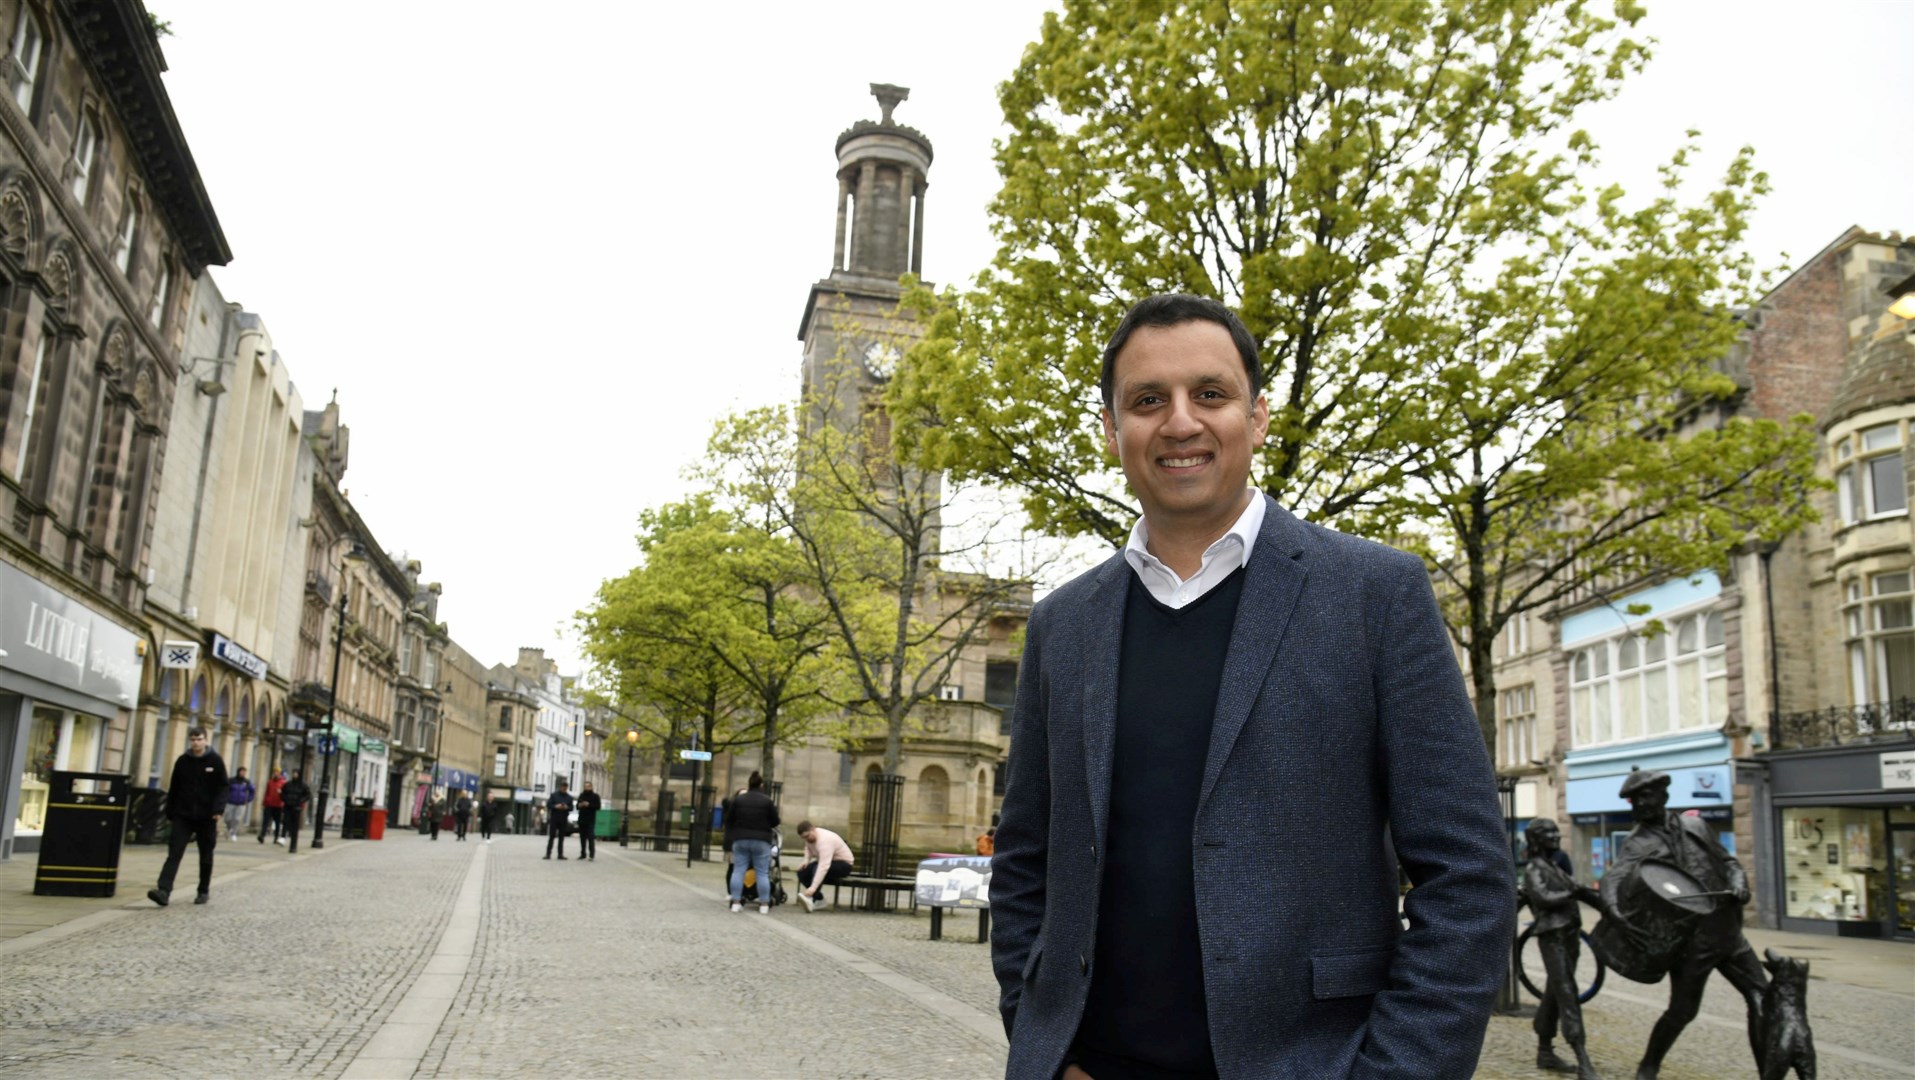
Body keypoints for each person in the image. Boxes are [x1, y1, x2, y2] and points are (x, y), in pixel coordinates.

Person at [992, 295, 1514, 1080]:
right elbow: (1026, 857)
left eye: (1209, 394)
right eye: (1145, 401)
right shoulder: (1063, 624)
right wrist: (1040, 1038)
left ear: (1257, 415)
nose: (1178, 422)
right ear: (1111, 430)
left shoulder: (1376, 596)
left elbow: (1468, 876)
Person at [1602, 770, 1765, 1079]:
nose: (1638, 804)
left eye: (1644, 796)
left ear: (1663, 795)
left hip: (1728, 931)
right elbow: (1615, 876)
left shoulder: (1696, 825)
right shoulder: (1637, 843)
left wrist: (1738, 879)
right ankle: (1649, 1065)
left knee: (1762, 997)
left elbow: (1728, 861)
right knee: (1683, 1012)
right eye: (1634, 800)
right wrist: (1611, 908)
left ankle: (1768, 1072)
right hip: (1691, 942)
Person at [1523, 819, 1602, 1079]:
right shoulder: (1535, 868)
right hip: (1552, 936)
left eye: (1556, 831)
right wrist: (1573, 892)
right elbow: (1542, 898)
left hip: (1568, 935)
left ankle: (1544, 1051)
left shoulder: (1553, 865)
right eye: (1549, 832)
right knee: (1567, 991)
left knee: (1555, 992)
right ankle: (1583, 1058)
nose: (1556, 835)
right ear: (1535, 839)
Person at [148, 728, 228, 906]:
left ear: (205, 740)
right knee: (174, 853)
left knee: (205, 855)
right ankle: (164, 890)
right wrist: (170, 812)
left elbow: (223, 787)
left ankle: (203, 890)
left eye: (199, 739)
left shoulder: (215, 761)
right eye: (192, 740)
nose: (195, 743)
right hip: (183, 815)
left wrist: (218, 810)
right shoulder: (183, 761)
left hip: (207, 816)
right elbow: (174, 787)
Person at [725, 772, 780, 914]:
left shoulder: (739, 800)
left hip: (741, 839)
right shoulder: (767, 801)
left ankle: (736, 902)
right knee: (762, 872)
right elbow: (775, 821)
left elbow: (729, 819)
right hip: (761, 840)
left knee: (738, 871)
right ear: (761, 785)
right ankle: (764, 904)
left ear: (749, 784)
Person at [793, 820, 853, 914]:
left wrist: (813, 888)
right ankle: (819, 899)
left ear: (813, 829)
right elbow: (808, 848)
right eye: (804, 838)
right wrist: (806, 860)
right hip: (829, 862)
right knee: (802, 872)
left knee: (816, 869)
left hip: (844, 865)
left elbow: (823, 866)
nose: (807, 839)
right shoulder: (810, 838)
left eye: (808, 836)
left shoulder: (825, 840)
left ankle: (811, 897)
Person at [279, 770, 311, 854]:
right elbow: (282, 793)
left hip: (296, 806)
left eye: (296, 773)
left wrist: (300, 801)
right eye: (293, 773)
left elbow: (308, 795)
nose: (294, 775)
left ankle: (292, 837)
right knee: (285, 821)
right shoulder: (288, 784)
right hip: (288, 805)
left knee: (294, 823)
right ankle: (283, 837)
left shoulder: (303, 785)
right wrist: (285, 799)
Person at [544, 779, 575, 860]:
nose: (564, 789)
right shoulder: (554, 795)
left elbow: (571, 808)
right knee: (552, 836)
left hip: (564, 818)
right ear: (560, 787)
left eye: (565, 787)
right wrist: (555, 806)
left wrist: (566, 807)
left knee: (561, 837)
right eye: (563, 787)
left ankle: (560, 854)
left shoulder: (569, 797)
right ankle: (548, 853)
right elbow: (549, 804)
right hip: (554, 817)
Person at [222, 767, 255, 841]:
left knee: (236, 819)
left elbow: (252, 791)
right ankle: (229, 829)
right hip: (230, 802)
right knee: (228, 818)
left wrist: (248, 799)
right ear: (238, 772)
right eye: (242, 771)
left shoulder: (246, 782)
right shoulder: (231, 780)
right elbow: (225, 789)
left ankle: (233, 833)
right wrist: (226, 797)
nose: (243, 773)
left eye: (244, 772)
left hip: (241, 803)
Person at [257, 769, 287, 845]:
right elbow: (267, 792)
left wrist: (283, 800)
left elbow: (285, 794)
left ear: (280, 774)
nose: (275, 774)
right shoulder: (270, 782)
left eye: (277, 773)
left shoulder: (283, 783)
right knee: (265, 821)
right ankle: (262, 835)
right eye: (274, 773)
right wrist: (265, 801)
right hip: (269, 804)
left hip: (278, 805)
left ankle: (276, 837)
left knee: (277, 822)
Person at [575, 780, 602, 861]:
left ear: (591, 787)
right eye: (585, 786)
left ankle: (591, 854)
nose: (586, 788)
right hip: (582, 819)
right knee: (582, 838)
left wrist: (589, 805)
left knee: (590, 837)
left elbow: (598, 807)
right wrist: (580, 805)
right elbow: (577, 806)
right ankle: (583, 853)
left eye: (588, 786)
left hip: (590, 819)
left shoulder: (595, 796)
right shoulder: (581, 795)